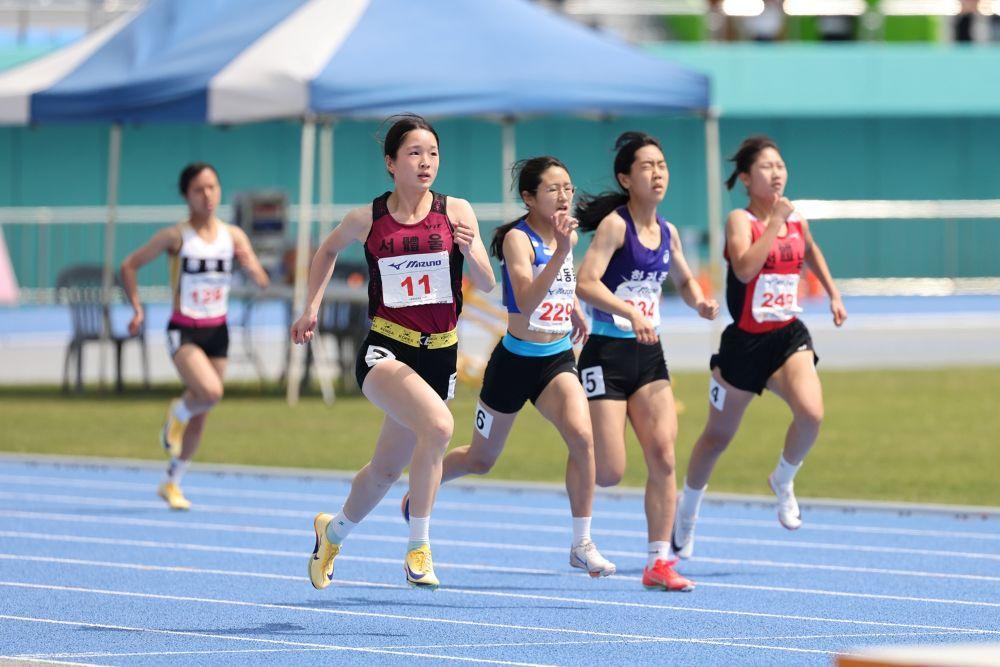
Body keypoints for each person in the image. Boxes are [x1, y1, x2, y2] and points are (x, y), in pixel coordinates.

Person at [291, 114, 495, 590]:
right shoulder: (368, 219)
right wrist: (311, 308)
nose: (426, 163)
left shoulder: (457, 212)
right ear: (391, 163)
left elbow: (487, 283)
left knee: (384, 470)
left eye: (433, 154)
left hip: (439, 353)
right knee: (440, 427)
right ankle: (418, 547)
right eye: (414, 153)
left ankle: (332, 530)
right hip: (384, 350)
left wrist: (471, 250)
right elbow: (325, 252)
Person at [402, 156, 616, 577]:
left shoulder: (563, 235)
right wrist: (562, 253)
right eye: (553, 189)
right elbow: (528, 297)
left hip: (556, 358)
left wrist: (572, 308)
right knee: (482, 460)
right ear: (529, 197)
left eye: (568, 188)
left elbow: (558, 286)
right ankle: (421, 487)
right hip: (514, 362)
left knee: (582, 437)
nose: (564, 196)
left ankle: (581, 542)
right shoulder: (519, 240)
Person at [672, 135, 847, 559]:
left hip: (787, 336)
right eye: (767, 167)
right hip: (744, 345)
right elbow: (746, 269)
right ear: (748, 179)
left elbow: (810, 249)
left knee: (812, 413)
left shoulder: (795, 220)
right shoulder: (740, 220)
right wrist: (773, 224)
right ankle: (687, 514)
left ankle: (783, 478)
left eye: (781, 165)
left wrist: (833, 292)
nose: (777, 173)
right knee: (716, 438)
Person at [574, 132, 718, 591]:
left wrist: (700, 302)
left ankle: (659, 562)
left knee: (663, 454)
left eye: (662, 165)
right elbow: (585, 282)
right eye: (646, 167)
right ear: (625, 177)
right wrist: (629, 311)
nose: (657, 174)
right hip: (606, 352)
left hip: (649, 354)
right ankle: (576, 445)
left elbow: (686, 277)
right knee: (611, 471)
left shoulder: (669, 232)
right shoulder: (617, 227)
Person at [120, 162, 270, 510]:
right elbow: (129, 265)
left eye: (213, 187)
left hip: (218, 330)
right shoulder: (175, 236)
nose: (208, 195)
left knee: (204, 409)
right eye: (199, 189)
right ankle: (177, 410)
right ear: (186, 195)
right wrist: (137, 309)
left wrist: (253, 266)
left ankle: (172, 481)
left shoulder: (233, 236)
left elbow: (261, 280)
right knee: (210, 392)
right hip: (183, 330)